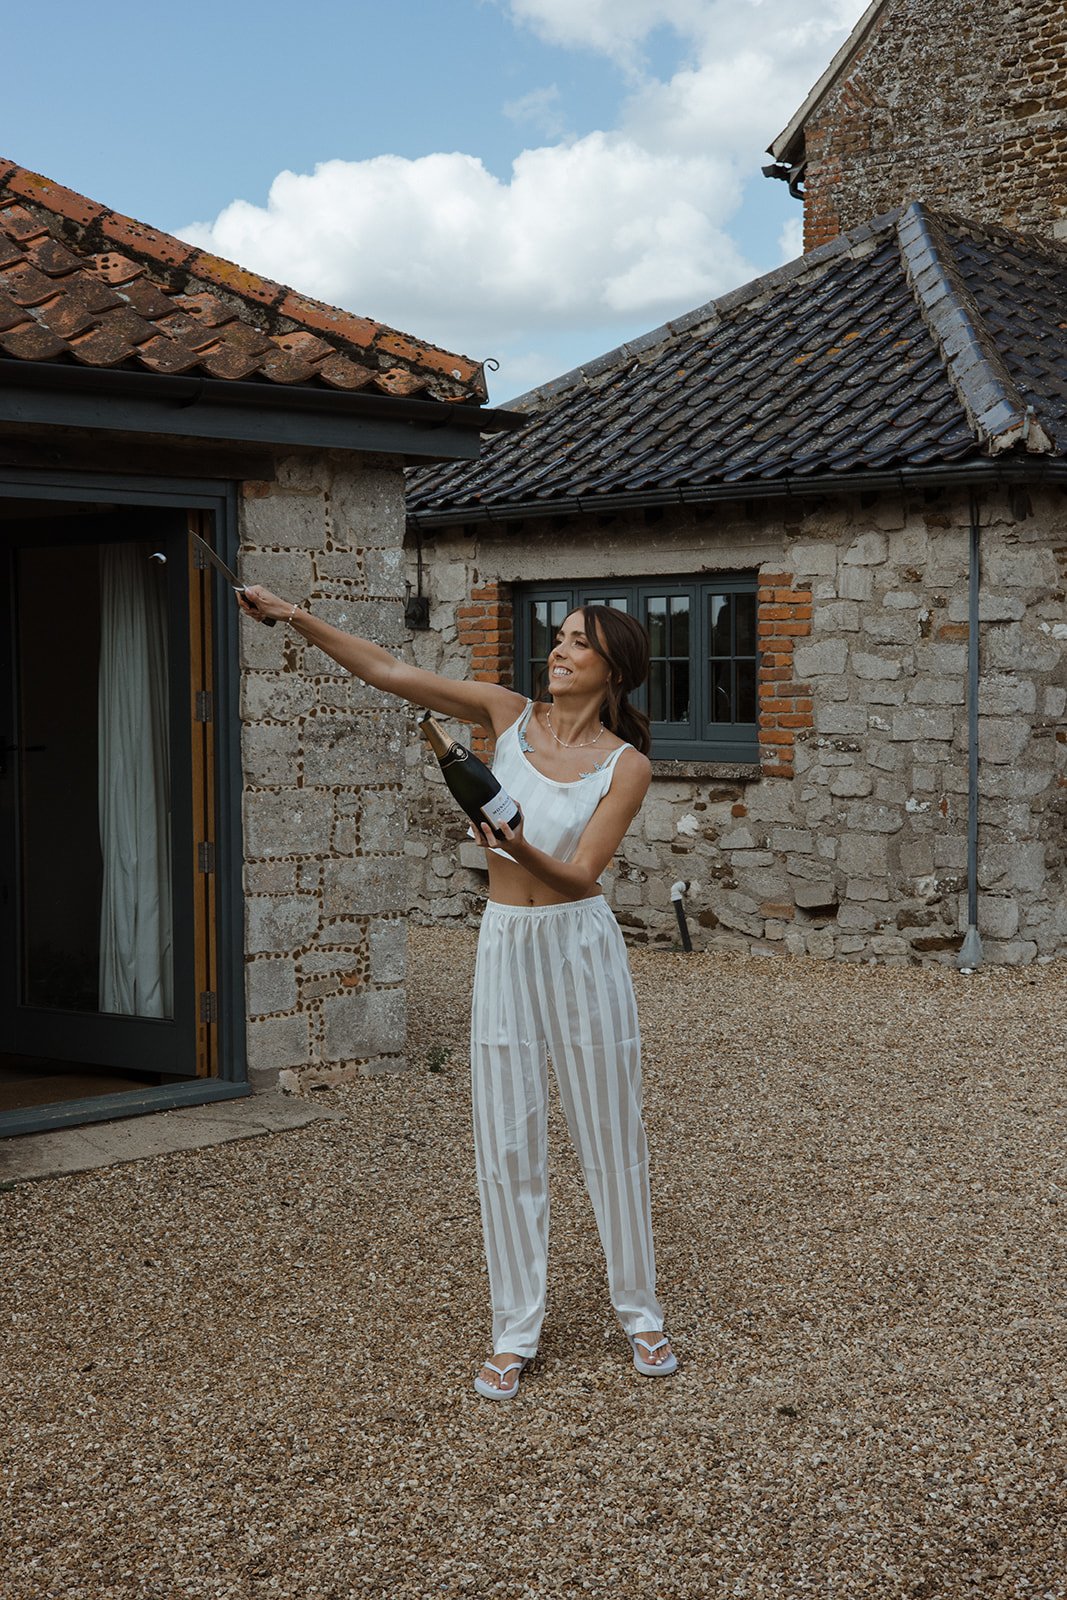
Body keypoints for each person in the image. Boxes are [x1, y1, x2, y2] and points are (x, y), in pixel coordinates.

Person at [237, 585, 676, 1399]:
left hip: (580, 946)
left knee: (609, 1129)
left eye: (578, 643)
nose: (559, 651)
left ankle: (640, 1314)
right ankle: (515, 1330)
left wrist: (514, 844)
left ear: (614, 667)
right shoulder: (505, 716)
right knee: (507, 1137)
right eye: (559, 637)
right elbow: (388, 670)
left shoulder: (627, 765)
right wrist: (291, 616)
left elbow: (582, 876)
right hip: (506, 942)